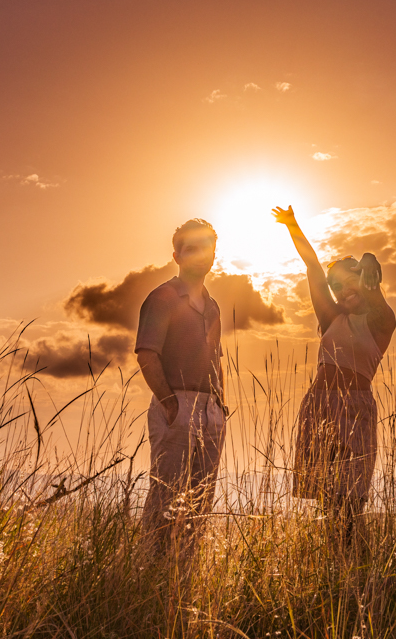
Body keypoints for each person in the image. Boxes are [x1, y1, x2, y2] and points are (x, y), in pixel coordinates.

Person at [273, 205, 396, 549]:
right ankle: (333, 569)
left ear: (367, 280)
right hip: (320, 407)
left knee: (351, 503)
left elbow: (377, 298)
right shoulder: (330, 318)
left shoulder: (381, 321)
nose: (343, 291)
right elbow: (312, 266)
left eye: (350, 281)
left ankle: (356, 570)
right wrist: (292, 225)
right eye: (338, 286)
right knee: (328, 503)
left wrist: (370, 260)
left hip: (355, 410)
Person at [136, 218, 226, 561]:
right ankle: (152, 570)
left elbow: (216, 355)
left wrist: (221, 404)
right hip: (176, 403)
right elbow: (147, 352)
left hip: (211, 410)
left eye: (206, 248)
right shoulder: (163, 298)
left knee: (201, 499)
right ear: (177, 255)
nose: (200, 255)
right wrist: (171, 404)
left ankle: (184, 571)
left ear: (214, 254)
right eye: (191, 249)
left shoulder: (213, 305)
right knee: (166, 497)